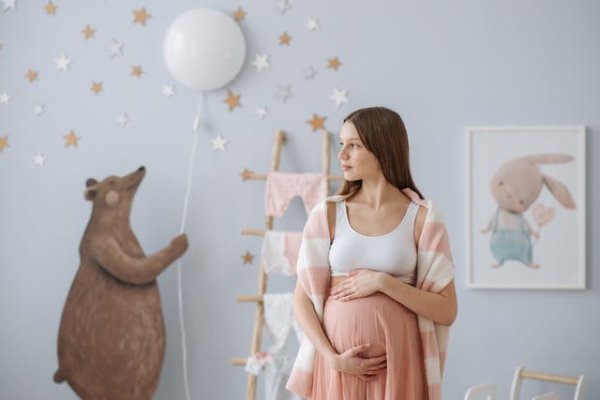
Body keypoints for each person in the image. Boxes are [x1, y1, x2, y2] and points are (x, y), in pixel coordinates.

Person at [286, 107, 457, 400]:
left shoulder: (423, 218)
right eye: (341, 145)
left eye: (353, 146)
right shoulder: (327, 213)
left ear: (383, 148)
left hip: (399, 362)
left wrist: (383, 282)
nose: (342, 155)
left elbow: (446, 310)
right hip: (338, 365)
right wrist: (332, 358)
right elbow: (301, 300)